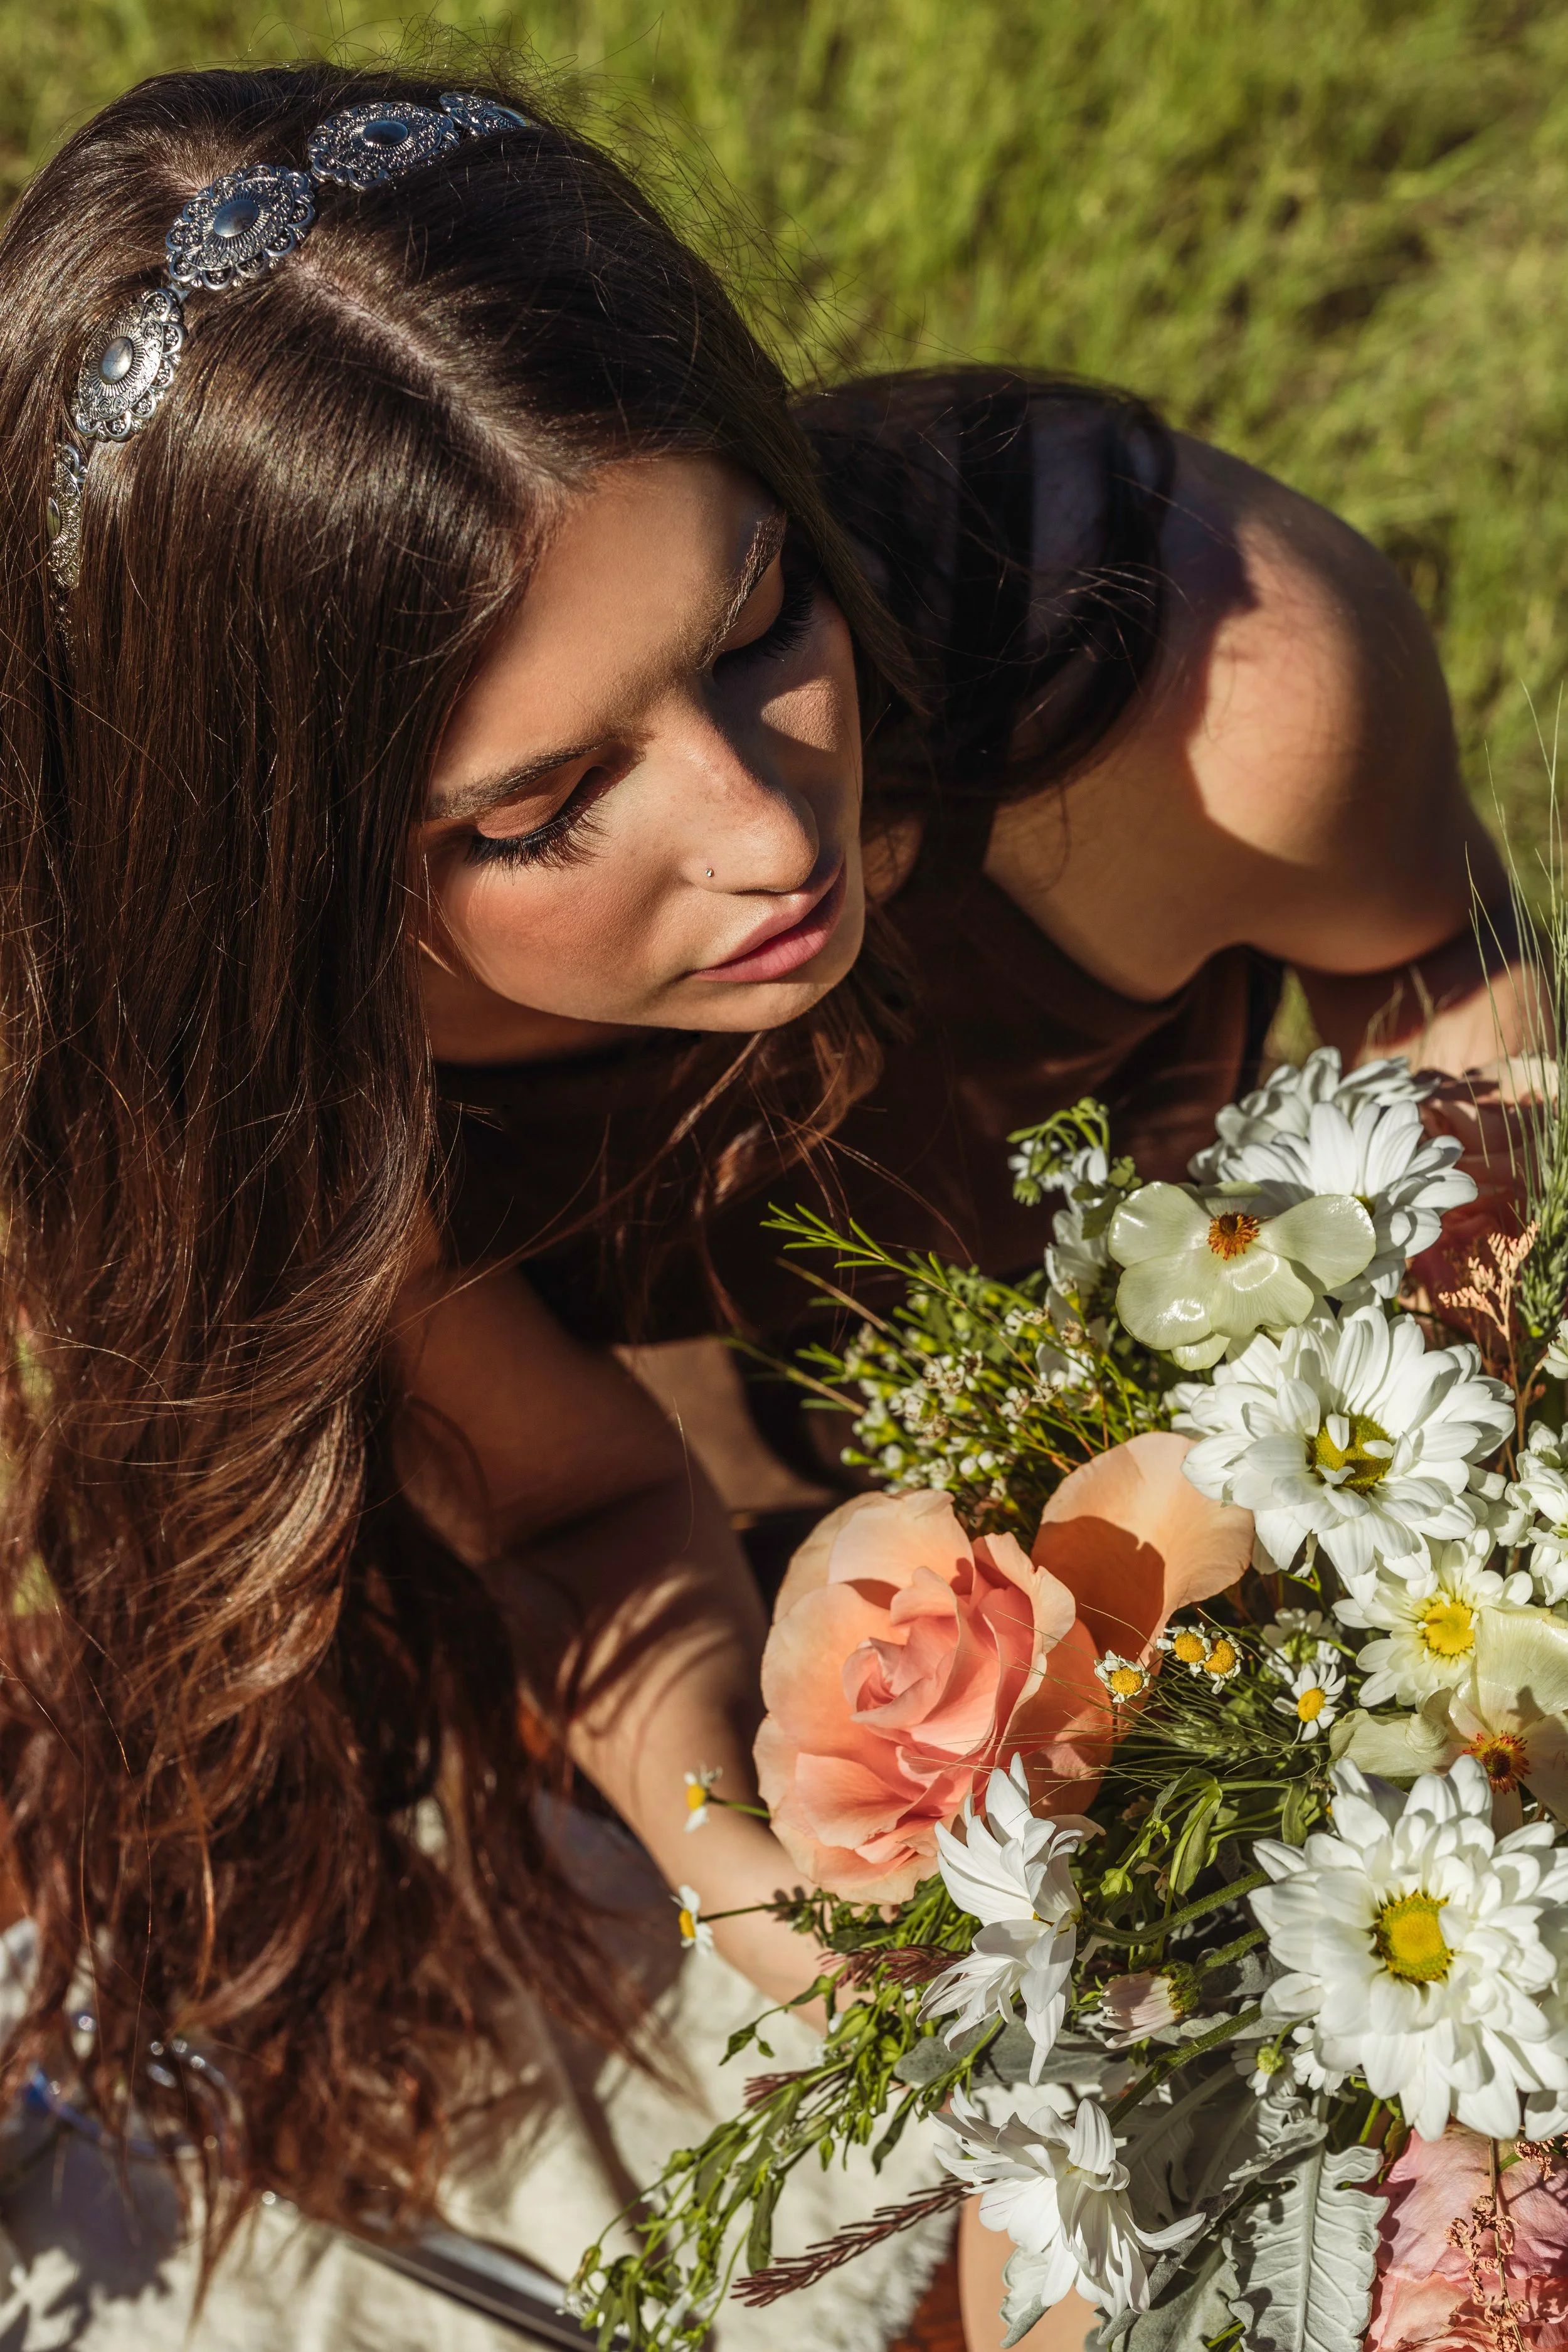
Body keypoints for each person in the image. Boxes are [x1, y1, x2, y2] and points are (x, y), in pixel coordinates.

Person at [0, 55, 1526, 2352]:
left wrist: (1320, 1614)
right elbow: (569, 1522)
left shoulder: (1214, 697)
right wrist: (779, 1887)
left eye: (753, 623)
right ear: (278, 873)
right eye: (541, 806)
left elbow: (1482, 1114)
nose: (758, 832)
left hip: (1233, 1532)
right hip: (648, 1628)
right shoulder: (230, 1074)